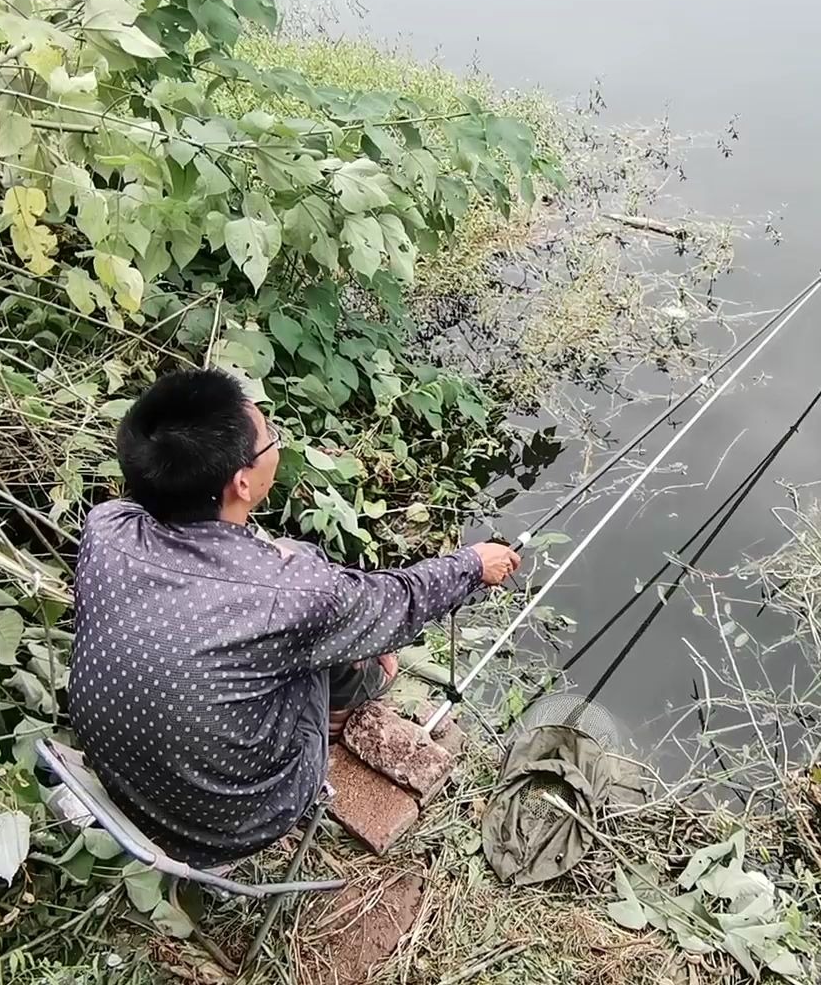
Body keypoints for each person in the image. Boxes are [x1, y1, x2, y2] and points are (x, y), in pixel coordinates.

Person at [67, 368, 521, 867]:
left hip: (119, 789)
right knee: (354, 633)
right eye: (270, 440)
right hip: (232, 821)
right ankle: (358, 694)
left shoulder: (107, 528)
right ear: (241, 482)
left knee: (295, 569)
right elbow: (402, 600)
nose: (274, 446)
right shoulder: (290, 596)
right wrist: (475, 564)